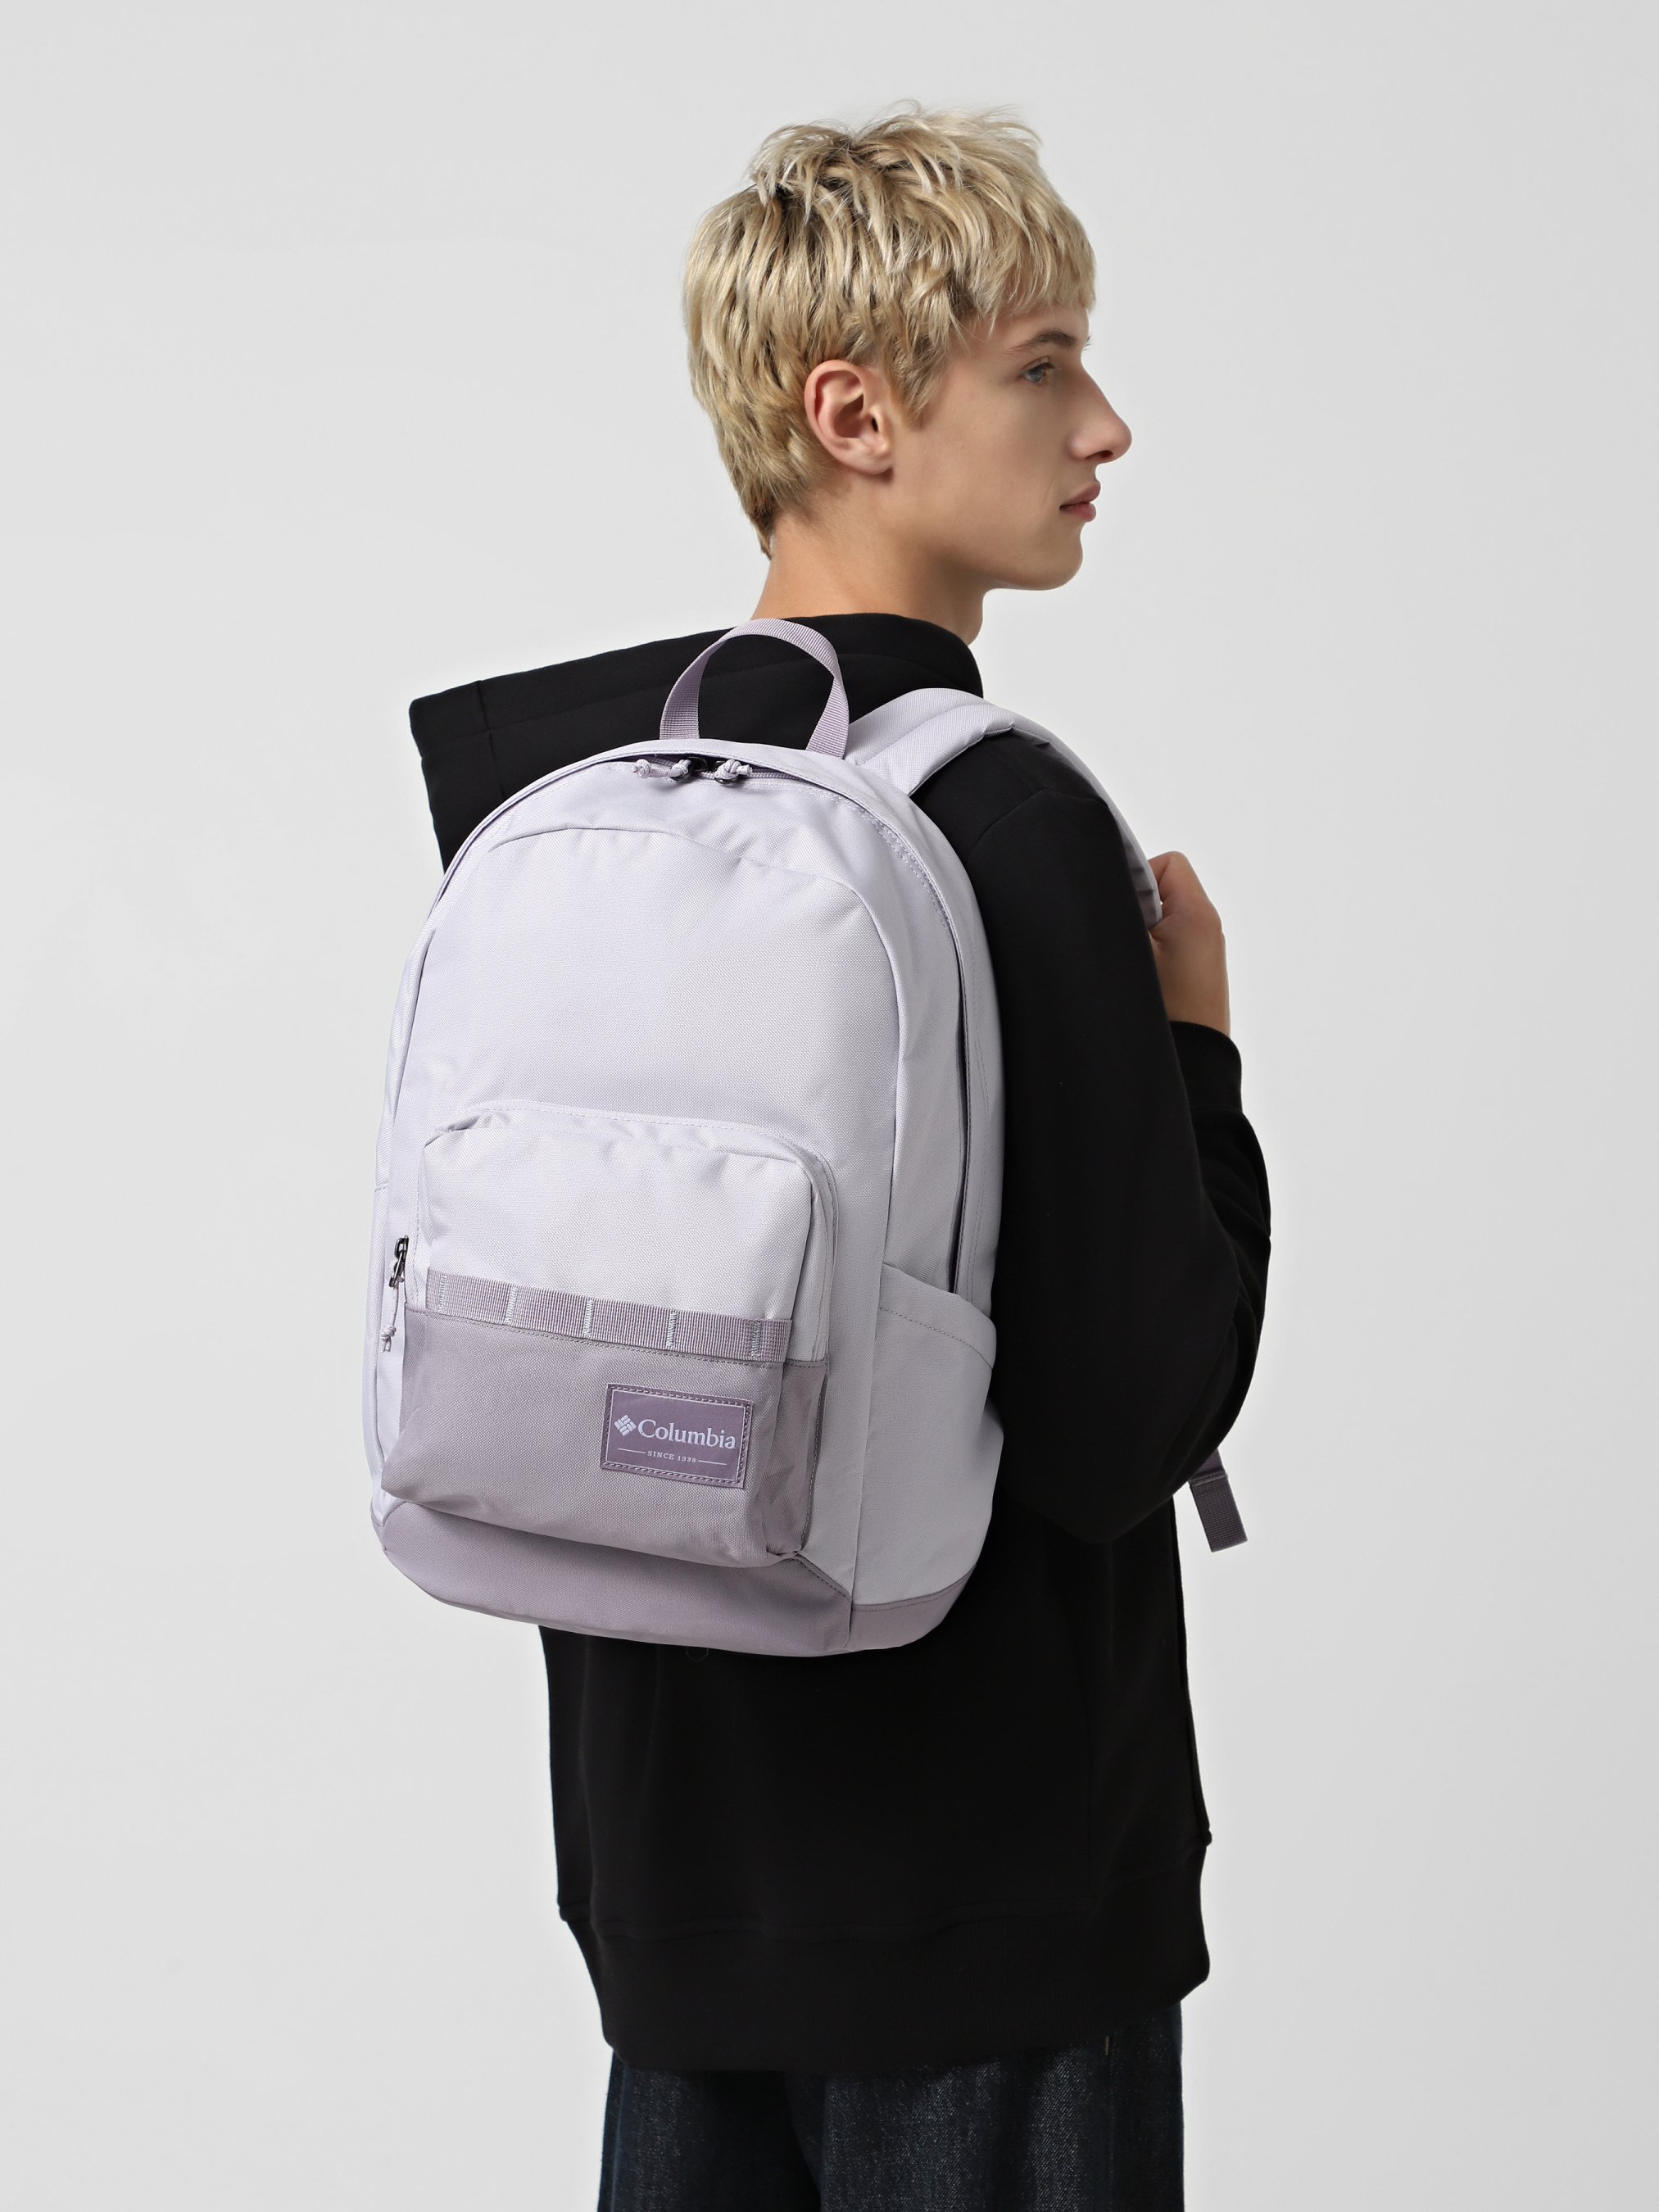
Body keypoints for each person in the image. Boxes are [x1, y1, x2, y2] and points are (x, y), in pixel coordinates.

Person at [408, 108, 1270, 2212]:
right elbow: (1123, 1423)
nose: (1105, 427)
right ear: (853, 413)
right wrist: (1196, 1060)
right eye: (1043, 366)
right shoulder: (1005, 822)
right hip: (988, 1895)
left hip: (670, 1889)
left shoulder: (581, 796)